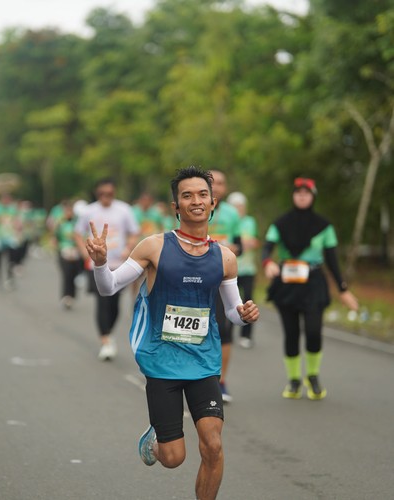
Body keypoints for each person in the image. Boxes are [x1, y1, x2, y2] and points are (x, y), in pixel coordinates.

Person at [85, 166, 259, 500]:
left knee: (213, 446)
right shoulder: (153, 247)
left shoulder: (225, 257)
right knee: (173, 458)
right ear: (176, 206)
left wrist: (243, 314)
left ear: (213, 203)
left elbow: (233, 312)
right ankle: (156, 439)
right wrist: (100, 262)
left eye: (203, 194)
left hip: (203, 362)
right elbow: (109, 288)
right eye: (187, 195)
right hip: (161, 362)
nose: (196, 201)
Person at [262, 177, 359, 400]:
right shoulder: (280, 223)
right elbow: (267, 248)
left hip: (314, 282)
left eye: (306, 193)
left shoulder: (324, 226)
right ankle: (294, 380)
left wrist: (343, 289)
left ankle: (312, 376)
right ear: (293, 196)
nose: (302, 196)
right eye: (298, 193)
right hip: (287, 283)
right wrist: (267, 263)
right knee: (291, 333)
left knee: (314, 331)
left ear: (313, 197)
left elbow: (332, 261)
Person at [74, 178, 140, 361]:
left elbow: (134, 232)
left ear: (114, 193)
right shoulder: (89, 211)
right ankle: (105, 340)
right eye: (101, 193)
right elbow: (77, 233)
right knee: (102, 301)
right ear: (97, 193)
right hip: (96, 264)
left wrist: (128, 248)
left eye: (109, 193)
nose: (105, 197)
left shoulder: (124, 210)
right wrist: (84, 253)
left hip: (118, 264)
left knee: (114, 304)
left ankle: (109, 333)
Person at [209, 169, 242, 403]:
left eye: (220, 183)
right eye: (211, 182)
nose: (216, 187)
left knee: (223, 330)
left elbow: (240, 245)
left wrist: (229, 250)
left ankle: (220, 382)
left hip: (222, 278)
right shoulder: (195, 208)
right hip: (193, 279)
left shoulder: (232, 214)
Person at [226, 191, 260, 348]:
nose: (238, 209)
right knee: (230, 302)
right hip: (229, 269)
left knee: (248, 301)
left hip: (248, 269)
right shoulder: (226, 221)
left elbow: (253, 242)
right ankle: (227, 334)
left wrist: (241, 244)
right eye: (235, 206)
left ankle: (246, 336)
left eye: (241, 206)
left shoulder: (249, 221)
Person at [53, 200, 84, 309]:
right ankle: (66, 296)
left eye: (70, 211)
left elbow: (82, 236)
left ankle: (72, 295)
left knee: (73, 274)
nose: (68, 213)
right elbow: (56, 236)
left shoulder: (77, 223)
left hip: (75, 252)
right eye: (66, 211)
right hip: (64, 251)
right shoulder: (60, 223)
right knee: (66, 274)